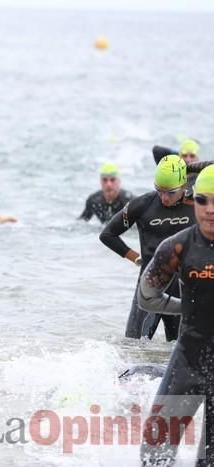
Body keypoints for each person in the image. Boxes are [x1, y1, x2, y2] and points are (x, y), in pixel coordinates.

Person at [137, 165, 214, 466]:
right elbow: (147, 297)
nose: (210, 210)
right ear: (193, 200)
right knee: (154, 451)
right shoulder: (178, 247)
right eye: (203, 200)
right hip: (189, 359)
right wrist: (187, 308)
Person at [100, 155, 194, 341]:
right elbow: (108, 234)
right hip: (149, 289)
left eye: (171, 192)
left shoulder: (197, 206)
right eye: (160, 190)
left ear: (184, 184)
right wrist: (136, 258)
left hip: (182, 290)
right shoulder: (143, 204)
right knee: (132, 348)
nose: (164, 197)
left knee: (178, 352)